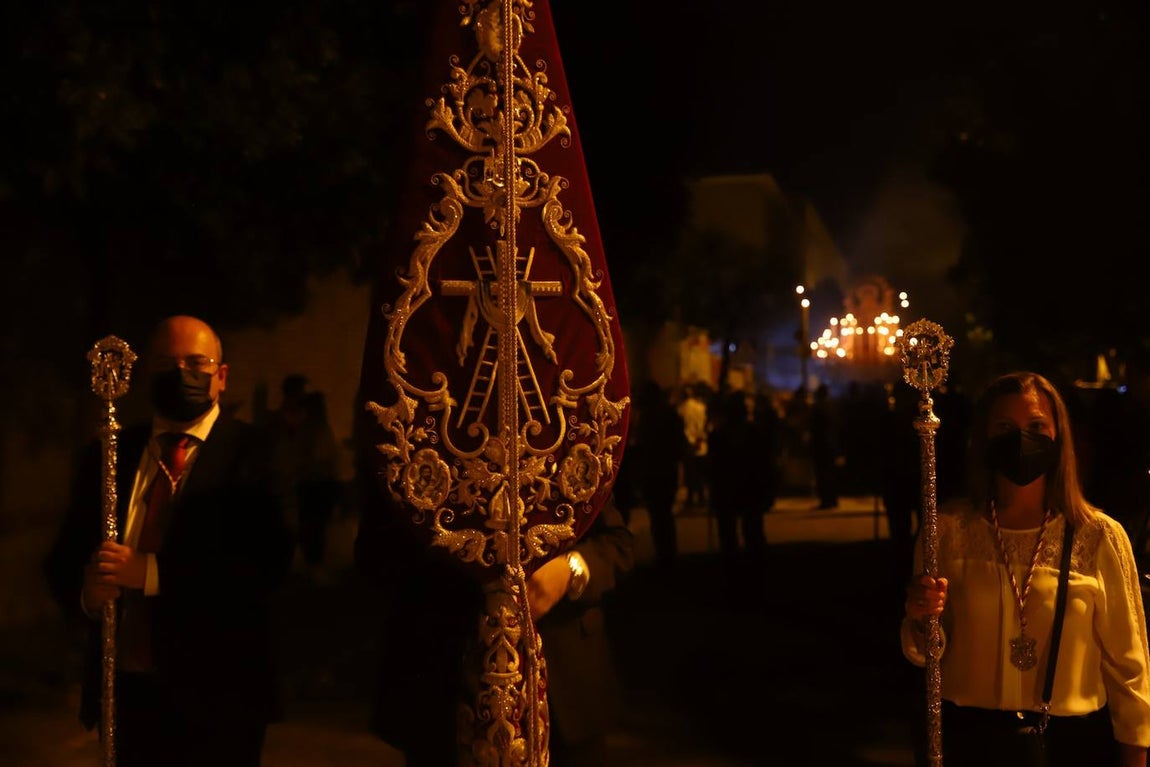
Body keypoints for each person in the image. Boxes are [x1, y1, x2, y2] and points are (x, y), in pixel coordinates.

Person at [43, 315, 295, 767]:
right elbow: (65, 558)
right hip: (128, 692)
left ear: (221, 376)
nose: (181, 374)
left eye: (196, 363)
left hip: (219, 698)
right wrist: (87, 593)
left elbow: (266, 563)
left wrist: (150, 572)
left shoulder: (257, 454)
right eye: (165, 364)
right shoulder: (111, 453)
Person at [902, 371, 1150, 767]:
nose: (1021, 438)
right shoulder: (946, 530)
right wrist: (920, 617)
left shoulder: (1098, 537)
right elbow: (927, 654)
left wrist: (1135, 754)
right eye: (1005, 426)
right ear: (985, 436)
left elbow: (1130, 669)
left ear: (1058, 436)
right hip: (973, 743)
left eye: (1036, 426)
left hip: (1070, 746)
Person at [354, 482, 634, 767]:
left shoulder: (566, 452)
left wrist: (569, 570)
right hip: (441, 677)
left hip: (564, 683)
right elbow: (375, 553)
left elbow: (616, 542)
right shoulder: (418, 455)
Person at [270, 375, 341, 583]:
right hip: (302, 483)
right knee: (298, 527)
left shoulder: (312, 420)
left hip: (311, 483)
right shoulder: (293, 420)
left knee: (310, 527)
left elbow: (322, 455)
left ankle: (309, 565)